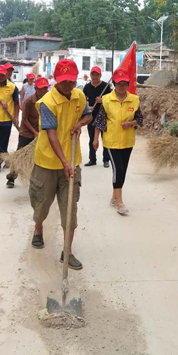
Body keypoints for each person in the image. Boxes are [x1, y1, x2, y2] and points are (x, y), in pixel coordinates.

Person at [29, 59, 92, 269]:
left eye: (72, 81)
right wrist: (64, 161)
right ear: (57, 80)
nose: (68, 85)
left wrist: (79, 124)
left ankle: (67, 252)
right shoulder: (47, 102)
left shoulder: (79, 95)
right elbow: (52, 135)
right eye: (64, 81)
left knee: (69, 208)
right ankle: (38, 229)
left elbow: (88, 115)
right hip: (47, 162)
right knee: (42, 204)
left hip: (72, 163)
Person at [92, 68, 143, 215]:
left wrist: (131, 123)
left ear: (128, 84)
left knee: (123, 170)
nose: (122, 87)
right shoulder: (107, 99)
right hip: (111, 141)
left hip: (128, 141)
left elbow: (140, 119)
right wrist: (95, 139)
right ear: (114, 84)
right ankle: (119, 202)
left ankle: (114, 197)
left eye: (124, 84)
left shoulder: (134, 99)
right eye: (119, 84)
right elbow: (100, 122)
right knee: (118, 169)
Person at [6, 77, 50, 188]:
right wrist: (34, 132)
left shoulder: (49, 100)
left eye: (45, 88)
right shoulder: (29, 101)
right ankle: (11, 177)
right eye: (41, 89)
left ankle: (38, 179)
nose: (44, 91)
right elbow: (24, 119)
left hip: (41, 133)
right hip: (27, 132)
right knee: (20, 155)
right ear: (36, 88)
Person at [83, 66, 111, 168]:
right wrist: (87, 107)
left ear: (100, 75)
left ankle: (106, 159)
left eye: (97, 75)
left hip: (104, 116)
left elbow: (112, 100)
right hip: (91, 116)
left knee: (105, 138)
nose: (95, 77)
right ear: (90, 75)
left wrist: (102, 100)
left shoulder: (105, 87)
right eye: (93, 75)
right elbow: (82, 100)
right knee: (92, 138)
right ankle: (92, 159)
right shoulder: (87, 87)